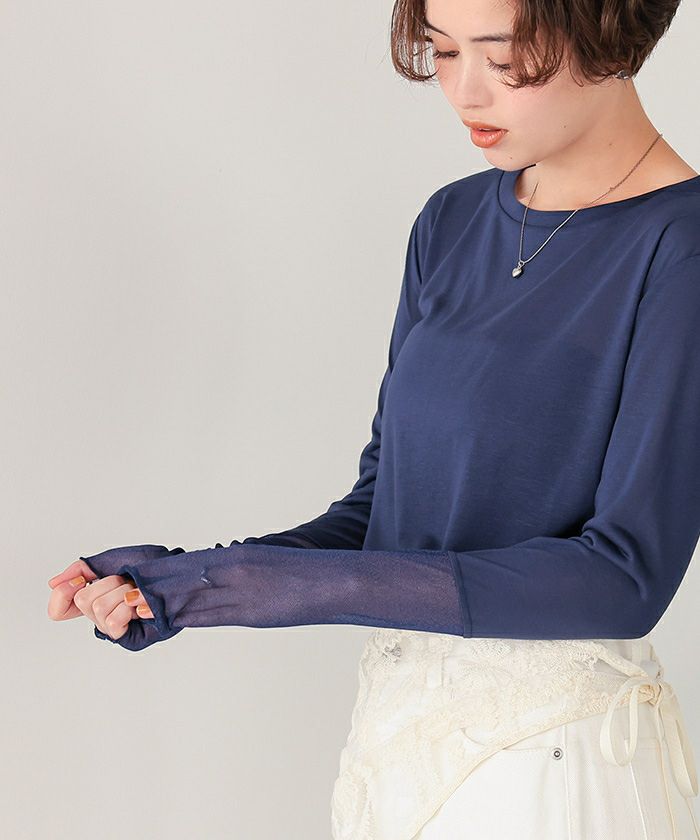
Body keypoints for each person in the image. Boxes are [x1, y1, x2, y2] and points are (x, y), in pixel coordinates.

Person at [48, 0, 700, 837]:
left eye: (504, 57)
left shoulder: (680, 248)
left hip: (554, 765)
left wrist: (261, 586)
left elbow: (624, 579)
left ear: (607, 30)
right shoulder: (452, 222)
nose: (465, 92)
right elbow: (380, 512)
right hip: (395, 745)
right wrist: (190, 581)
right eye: (442, 51)